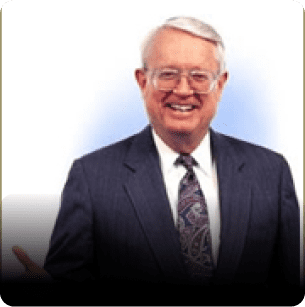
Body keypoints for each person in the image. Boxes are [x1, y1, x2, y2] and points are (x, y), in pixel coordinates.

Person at [8, 16, 302, 303]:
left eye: (199, 76)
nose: (183, 90)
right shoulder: (92, 177)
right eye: (168, 74)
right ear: (142, 81)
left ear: (220, 84)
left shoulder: (271, 173)